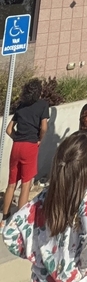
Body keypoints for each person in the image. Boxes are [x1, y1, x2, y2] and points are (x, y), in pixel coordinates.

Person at [2, 132, 87, 282]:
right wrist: (84, 267)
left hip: (42, 278)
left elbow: (10, 232)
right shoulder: (85, 196)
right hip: (71, 277)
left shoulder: (45, 196)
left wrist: (35, 253)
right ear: (85, 167)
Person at [1, 79, 49, 226]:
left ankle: (4, 217)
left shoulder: (20, 106)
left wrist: (17, 138)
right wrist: (39, 139)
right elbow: (44, 127)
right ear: (39, 92)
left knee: (11, 183)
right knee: (26, 184)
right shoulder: (43, 105)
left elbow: (9, 129)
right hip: (30, 146)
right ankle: (20, 219)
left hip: (17, 146)